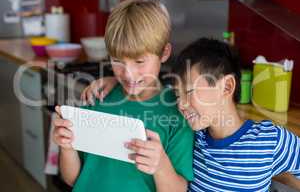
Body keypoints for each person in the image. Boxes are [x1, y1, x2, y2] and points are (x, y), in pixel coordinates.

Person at [82, 38, 300, 191]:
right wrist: (115, 81)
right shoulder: (193, 137)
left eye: (188, 92)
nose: (181, 105)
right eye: (178, 96)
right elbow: (151, 93)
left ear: (226, 87)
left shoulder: (269, 139)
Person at [53, 0, 194, 192]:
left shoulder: (178, 113)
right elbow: (73, 179)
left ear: (164, 52)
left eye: (139, 62)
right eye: (117, 61)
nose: (128, 74)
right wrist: (66, 147)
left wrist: (160, 165)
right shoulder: (97, 99)